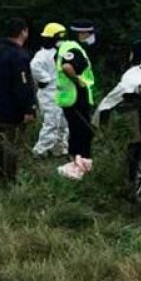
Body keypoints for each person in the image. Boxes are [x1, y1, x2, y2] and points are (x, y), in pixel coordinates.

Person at [0, 17, 36, 186]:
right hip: (14, 107)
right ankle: (10, 179)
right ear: (23, 32)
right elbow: (22, 84)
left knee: (2, 139)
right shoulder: (19, 56)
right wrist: (28, 108)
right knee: (13, 143)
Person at [55, 19, 98, 180]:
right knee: (82, 132)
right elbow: (67, 67)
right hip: (75, 97)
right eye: (89, 34)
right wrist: (78, 81)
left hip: (70, 97)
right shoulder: (74, 49)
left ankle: (79, 163)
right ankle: (78, 165)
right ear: (83, 33)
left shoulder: (67, 46)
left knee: (78, 131)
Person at [30, 22, 69, 158]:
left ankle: (59, 148)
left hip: (61, 92)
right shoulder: (42, 55)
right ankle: (40, 151)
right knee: (51, 122)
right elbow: (34, 67)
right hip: (49, 93)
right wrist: (45, 80)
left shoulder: (60, 53)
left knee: (63, 122)